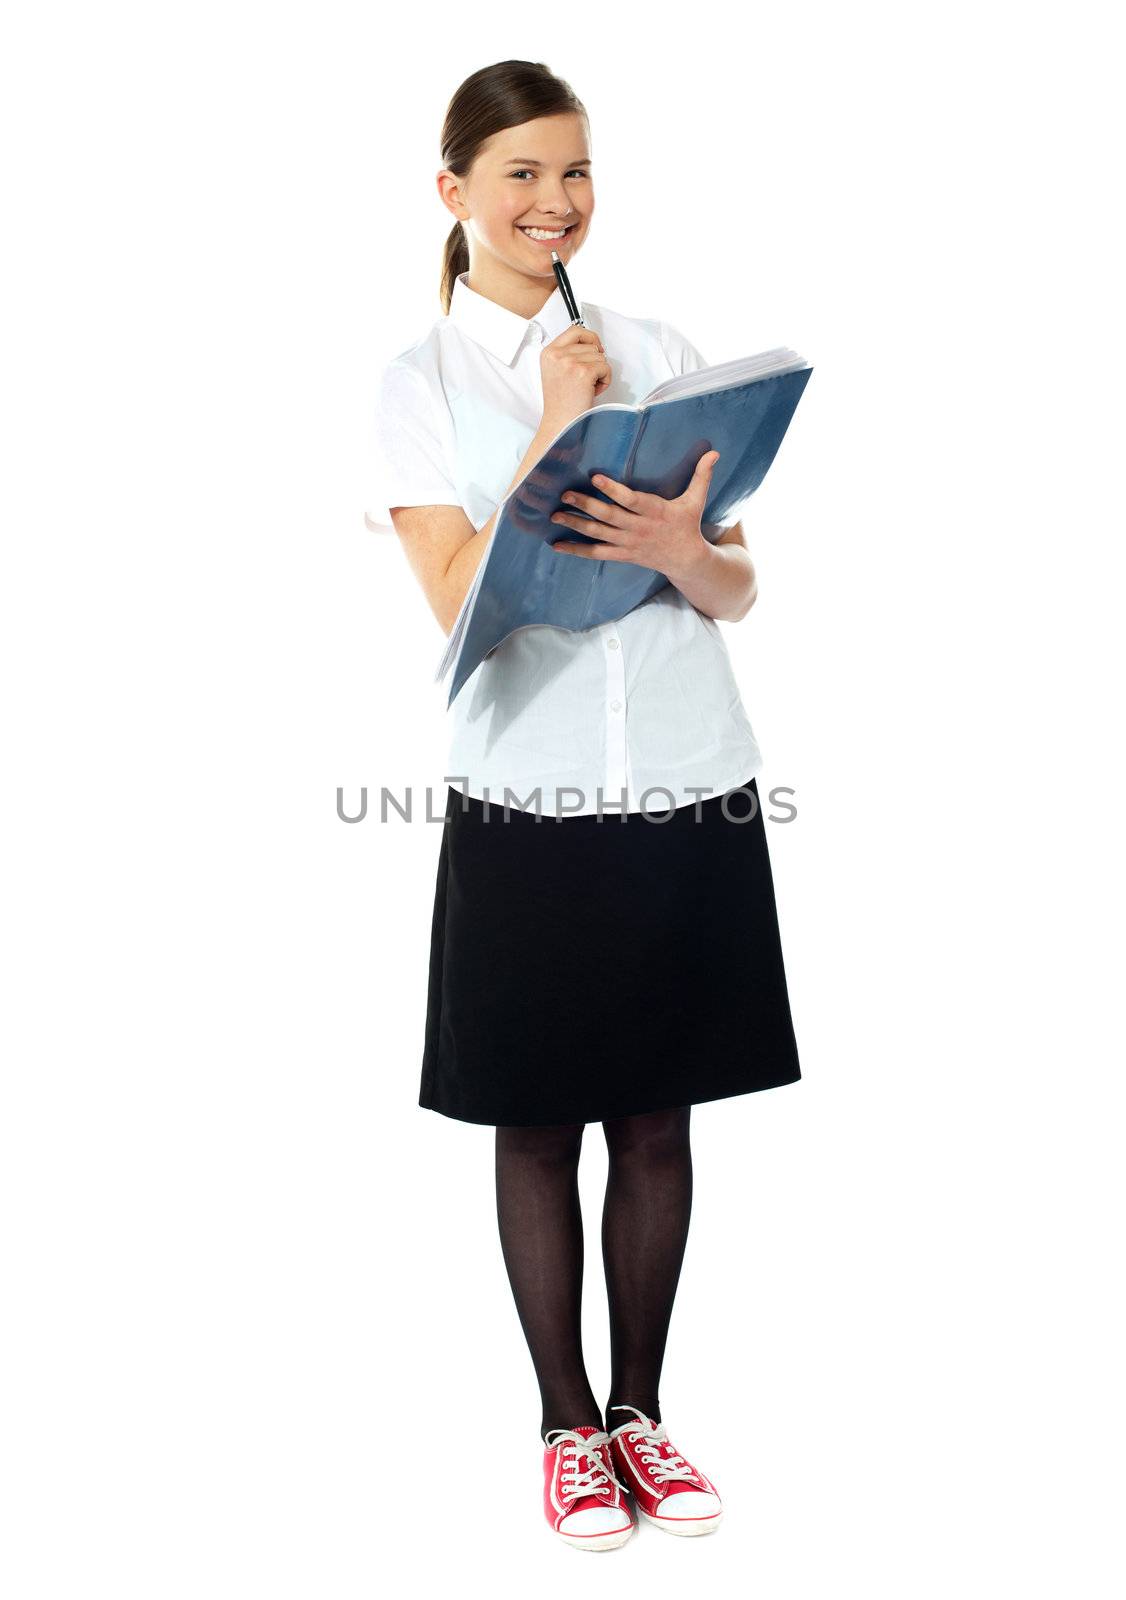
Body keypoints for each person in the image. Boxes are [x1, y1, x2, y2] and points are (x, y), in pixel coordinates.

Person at [370, 59, 802, 1552]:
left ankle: (643, 1418)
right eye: (519, 177)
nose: (554, 203)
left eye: (575, 172)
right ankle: (562, 1428)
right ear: (454, 195)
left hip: (685, 773)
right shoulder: (417, 386)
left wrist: (688, 551)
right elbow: (448, 599)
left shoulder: (657, 344)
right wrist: (557, 435)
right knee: (540, 1116)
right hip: (528, 791)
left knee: (660, 1113)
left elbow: (734, 587)